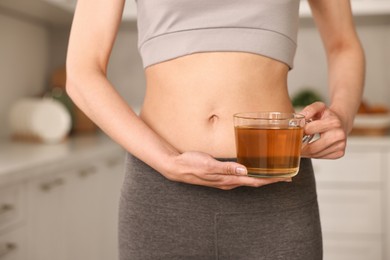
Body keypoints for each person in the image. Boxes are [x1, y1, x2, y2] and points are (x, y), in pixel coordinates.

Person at [66, 0, 365, 259]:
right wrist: (167, 162)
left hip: (275, 192)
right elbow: (82, 71)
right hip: (161, 194)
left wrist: (342, 115)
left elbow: (343, 44)